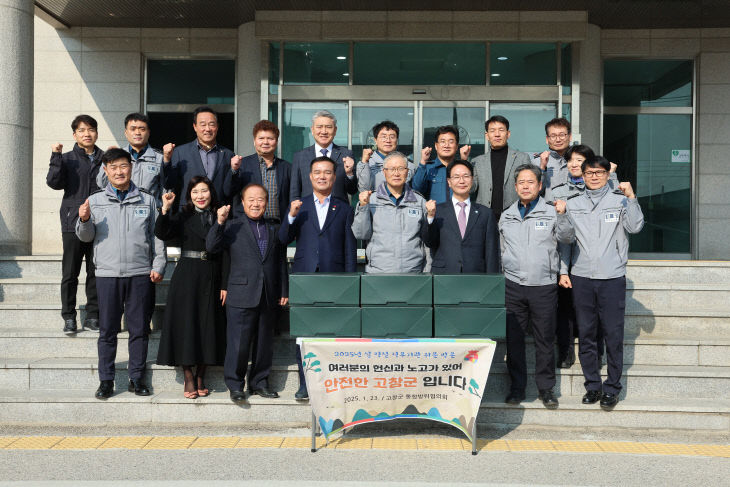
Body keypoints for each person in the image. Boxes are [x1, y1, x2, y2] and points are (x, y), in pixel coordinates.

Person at [75, 148, 166, 399]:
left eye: (123, 166)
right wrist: (83, 220)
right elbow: (86, 237)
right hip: (107, 275)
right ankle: (106, 380)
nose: (119, 171)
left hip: (139, 274)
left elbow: (157, 236)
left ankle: (137, 378)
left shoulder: (147, 200)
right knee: (108, 331)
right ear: (106, 170)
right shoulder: (94, 201)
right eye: (113, 167)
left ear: (131, 168)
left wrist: (159, 265)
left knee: (139, 329)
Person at [562, 157, 644, 411]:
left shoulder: (619, 200)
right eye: (589, 173)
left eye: (599, 172)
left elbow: (635, 226)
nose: (594, 176)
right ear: (582, 176)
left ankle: (612, 387)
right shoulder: (573, 204)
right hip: (583, 276)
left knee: (613, 334)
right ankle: (593, 386)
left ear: (608, 174)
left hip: (611, 277)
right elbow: (566, 240)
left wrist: (631, 198)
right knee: (586, 334)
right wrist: (564, 270)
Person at [280, 156, 357, 400]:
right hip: (305, 278)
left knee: (335, 333)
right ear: (310, 176)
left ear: (334, 178)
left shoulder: (343, 208)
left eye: (327, 173)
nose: (322, 176)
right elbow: (282, 239)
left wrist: (349, 281)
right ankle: (305, 383)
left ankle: (332, 383)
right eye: (317, 172)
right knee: (304, 334)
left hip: (335, 279)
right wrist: (291, 216)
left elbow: (349, 248)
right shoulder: (299, 205)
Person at [499, 164, 573, 409]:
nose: (526, 186)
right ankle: (517, 388)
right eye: (521, 182)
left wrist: (562, 215)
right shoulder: (506, 215)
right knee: (515, 339)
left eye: (531, 182)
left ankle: (546, 389)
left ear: (540, 186)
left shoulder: (552, 212)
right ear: (516, 186)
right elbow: (502, 250)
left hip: (543, 284)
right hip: (513, 284)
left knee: (544, 338)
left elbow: (566, 240)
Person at [206, 184, 289, 403]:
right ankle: (235, 385)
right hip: (241, 292)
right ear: (242, 203)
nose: (256, 203)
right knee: (238, 342)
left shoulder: (273, 227)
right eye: (250, 199)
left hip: (268, 293)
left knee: (264, 343)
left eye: (260, 199)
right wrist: (220, 221)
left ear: (267, 202)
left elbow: (280, 261)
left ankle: (259, 383)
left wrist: (283, 288)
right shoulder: (233, 226)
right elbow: (212, 246)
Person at [154, 177, 228, 399]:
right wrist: (165, 209)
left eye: (204, 191)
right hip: (187, 275)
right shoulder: (184, 214)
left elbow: (227, 253)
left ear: (211, 193)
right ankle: (188, 375)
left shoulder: (221, 214)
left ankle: (201, 375)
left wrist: (225, 284)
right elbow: (162, 233)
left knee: (209, 325)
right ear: (190, 195)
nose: (200, 196)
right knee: (187, 325)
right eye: (195, 192)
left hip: (213, 274)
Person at [548, 146, 617, 368]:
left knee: (595, 311)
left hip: (594, 260)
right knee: (565, 307)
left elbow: (616, 198)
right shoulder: (557, 191)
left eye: (580, 160)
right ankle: (566, 351)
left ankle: (596, 352)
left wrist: (612, 174)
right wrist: (562, 268)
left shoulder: (602, 186)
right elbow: (559, 230)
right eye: (571, 160)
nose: (574, 164)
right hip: (566, 256)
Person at [46, 114, 103, 335]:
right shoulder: (67, 158)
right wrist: (56, 156)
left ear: (96, 132)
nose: (87, 134)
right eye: (82, 130)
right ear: (75, 135)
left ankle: (93, 316)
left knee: (95, 271)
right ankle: (69, 317)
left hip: (100, 222)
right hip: (72, 222)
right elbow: (53, 182)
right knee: (70, 273)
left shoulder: (105, 159)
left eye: (90, 129)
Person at [353, 152, 435, 273]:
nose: (396, 173)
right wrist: (363, 207)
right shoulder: (371, 200)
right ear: (384, 171)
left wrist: (427, 270)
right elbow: (361, 234)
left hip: (413, 272)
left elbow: (426, 242)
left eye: (401, 169)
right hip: (378, 272)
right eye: (392, 169)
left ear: (407, 172)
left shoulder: (419, 201)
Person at [424, 160, 499, 274]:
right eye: (456, 177)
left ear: (472, 179)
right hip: (444, 276)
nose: (462, 181)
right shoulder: (437, 211)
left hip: (476, 276)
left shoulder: (485, 213)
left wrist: (492, 281)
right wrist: (430, 217)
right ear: (449, 182)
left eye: (466, 176)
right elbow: (430, 242)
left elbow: (491, 252)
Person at [163, 106, 237, 206]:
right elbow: (169, 183)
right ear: (195, 127)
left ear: (217, 127)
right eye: (203, 124)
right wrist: (167, 160)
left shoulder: (228, 155)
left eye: (212, 124)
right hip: (188, 214)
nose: (207, 129)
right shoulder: (180, 152)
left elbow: (230, 190)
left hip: (218, 214)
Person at [97, 112, 172, 205]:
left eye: (142, 129)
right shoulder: (117, 156)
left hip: (149, 212)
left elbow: (166, 188)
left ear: (148, 132)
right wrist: (106, 159)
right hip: (122, 209)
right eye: (133, 129)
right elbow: (101, 184)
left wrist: (161, 210)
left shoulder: (160, 158)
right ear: (126, 133)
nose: (137, 133)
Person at [470, 115, 533, 222]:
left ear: (508, 134)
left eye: (501, 130)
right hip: (484, 218)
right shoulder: (477, 162)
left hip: (515, 217)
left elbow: (531, 187)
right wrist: (463, 163)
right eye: (492, 131)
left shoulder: (522, 158)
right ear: (487, 135)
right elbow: (471, 188)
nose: (497, 134)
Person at [228, 120, 290, 222]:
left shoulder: (287, 168)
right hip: (248, 227)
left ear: (276, 141)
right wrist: (233, 170)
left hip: (278, 227)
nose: (265, 142)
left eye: (270, 138)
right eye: (261, 138)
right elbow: (229, 191)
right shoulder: (242, 164)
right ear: (254, 141)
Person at [289, 110, 357, 202]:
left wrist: (349, 174)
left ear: (335, 130)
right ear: (312, 130)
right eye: (319, 127)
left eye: (328, 127)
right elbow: (294, 192)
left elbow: (352, 190)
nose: (324, 131)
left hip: (337, 213)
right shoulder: (300, 156)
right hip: (309, 213)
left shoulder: (346, 155)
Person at [412, 125, 470, 205]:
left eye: (451, 142)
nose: (446, 145)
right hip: (435, 215)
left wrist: (464, 162)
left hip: (458, 215)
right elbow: (416, 190)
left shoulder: (460, 168)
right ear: (436, 146)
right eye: (443, 141)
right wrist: (423, 162)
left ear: (456, 146)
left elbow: (471, 188)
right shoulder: (428, 168)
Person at [357, 120, 416, 192]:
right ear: (375, 140)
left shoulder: (408, 165)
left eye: (392, 137)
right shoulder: (366, 164)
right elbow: (363, 190)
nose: (388, 140)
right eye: (383, 136)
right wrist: (365, 162)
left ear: (397, 140)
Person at [532, 117, 573, 191]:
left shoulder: (581, 160)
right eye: (553, 136)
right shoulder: (537, 162)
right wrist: (542, 168)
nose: (558, 140)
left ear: (570, 137)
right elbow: (534, 192)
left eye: (562, 135)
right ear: (547, 139)